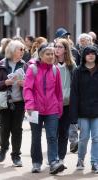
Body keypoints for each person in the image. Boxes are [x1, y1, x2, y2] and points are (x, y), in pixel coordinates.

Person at [23, 43, 64, 174]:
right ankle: (36, 162)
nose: (51, 56)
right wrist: (29, 104)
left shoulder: (55, 69)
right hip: (34, 109)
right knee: (36, 137)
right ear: (41, 55)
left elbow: (58, 91)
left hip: (52, 109)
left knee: (52, 137)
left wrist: (59, 107)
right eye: (48, 54)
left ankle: (53, 162)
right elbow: (27, 88)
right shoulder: (32, 69)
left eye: (52, 54)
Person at [0, 40, 25, 167]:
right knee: (4, 127)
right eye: (20, 49)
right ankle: (3, 147)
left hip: (19, 102)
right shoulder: (1, 65)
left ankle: (16, 155)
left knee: (17, 129)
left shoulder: (24, 65)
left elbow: (32, 83)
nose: (22, 52)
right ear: (12, 50)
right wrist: (5, 83)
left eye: (23, 50)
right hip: (4, 102)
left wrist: (25, 84)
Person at [70, 45, 98, 173]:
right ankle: (80, 159)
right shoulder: (78, 71)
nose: (91, 55)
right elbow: (74, 93)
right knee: (84, 137)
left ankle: (95, 162)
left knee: (97, 138)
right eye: (88, 53)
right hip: (83, 111)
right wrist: (73, 115)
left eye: (93, 53)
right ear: (84, 56)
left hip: (97, 111)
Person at [54, 38, 77, 167]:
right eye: (56, 46)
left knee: (63, 132)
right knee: (53, 133)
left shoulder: (72, 66)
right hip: (53, 104)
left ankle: (61, 158)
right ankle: (54, 157)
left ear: (65, 50)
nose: (57, 49)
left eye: (60, 47)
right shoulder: (51, 64)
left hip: (67, 105)